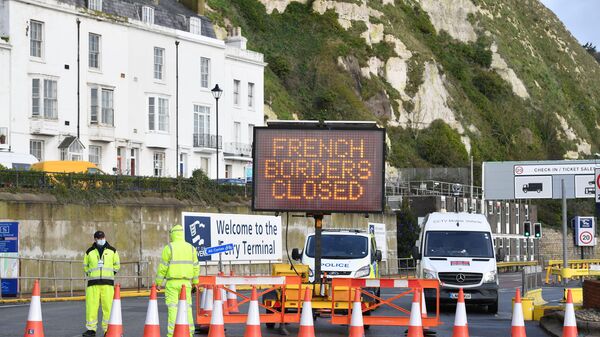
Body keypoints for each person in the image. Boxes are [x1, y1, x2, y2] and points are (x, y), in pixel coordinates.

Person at [156, 225, 200, 337]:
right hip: (186, 283)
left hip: (172, 283)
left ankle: (172, 333)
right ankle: (190, 332)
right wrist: (195, 282)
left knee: (173, 309)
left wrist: (158, 283)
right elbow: (196, 266)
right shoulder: (191, 248)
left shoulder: (169, 248)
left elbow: (163, 267)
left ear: (173, 234)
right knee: (187, 308)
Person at [82, 231, 120, 337]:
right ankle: (91, 330)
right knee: (91, 307)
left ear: (105, 237)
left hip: (107, 283)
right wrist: (90, 274)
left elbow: (117, 265)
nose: (101, 239)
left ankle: (107, 330)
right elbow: (85, 266)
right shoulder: (89, 252)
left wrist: (110, 274)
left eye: (102, 237)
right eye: (98, 238)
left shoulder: (112, 251)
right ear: (95, 239)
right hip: (93, 284)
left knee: (108, 307)